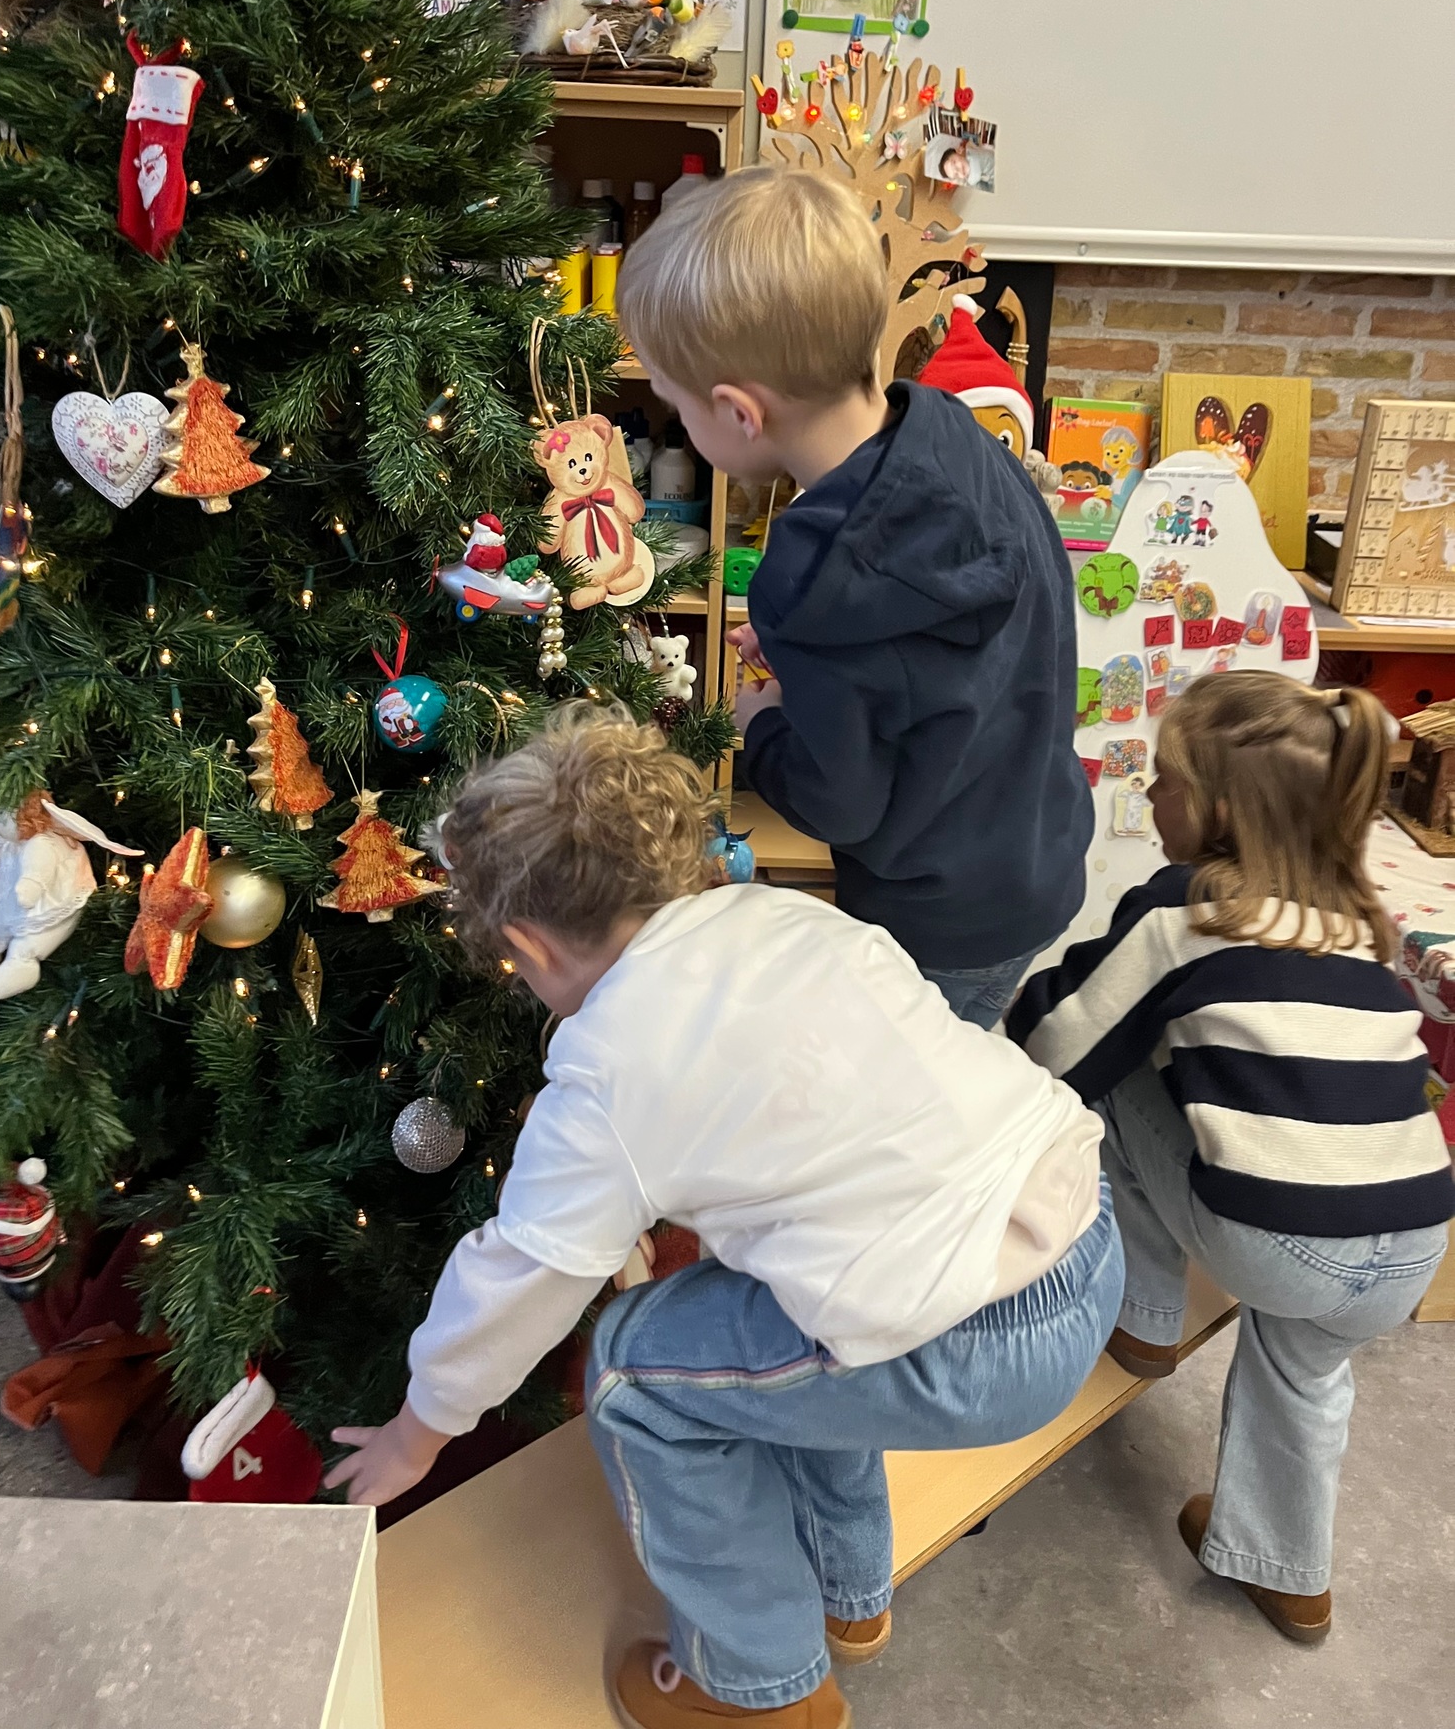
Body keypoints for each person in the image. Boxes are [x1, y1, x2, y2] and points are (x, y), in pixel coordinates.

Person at [325, 707, 1121, 1729]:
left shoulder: (610, 1067)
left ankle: (753, 1685)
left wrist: (420, 1428)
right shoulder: (787, 917)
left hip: (976, 1336)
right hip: (1081, 1226)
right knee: (777, 1321)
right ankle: (848, 1590)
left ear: (524, 943)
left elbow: (521, 1272)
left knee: (635, 1367)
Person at [1008, 673, 1454, 1645]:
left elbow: (1059, 1044)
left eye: (1164, 781)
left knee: (1117, 1085)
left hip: (1286, 1246)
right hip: (1415, 1242)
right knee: (1306, 1365)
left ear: (1214, 809)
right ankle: (1287, 1571)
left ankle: (1142, 1319)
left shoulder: (1184, 910)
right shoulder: (1356, 925)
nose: (1150, 795)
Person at [616, 167, 1091, 1027]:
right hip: (1034, 860)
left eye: (676, 407)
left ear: (738, 413)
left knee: (903, 1078)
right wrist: (815, 659)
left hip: (932, 916)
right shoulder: (957, 437)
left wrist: (765, 723)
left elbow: (840, 801)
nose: (679, 422)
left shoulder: (815, 571)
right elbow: (961, 647)